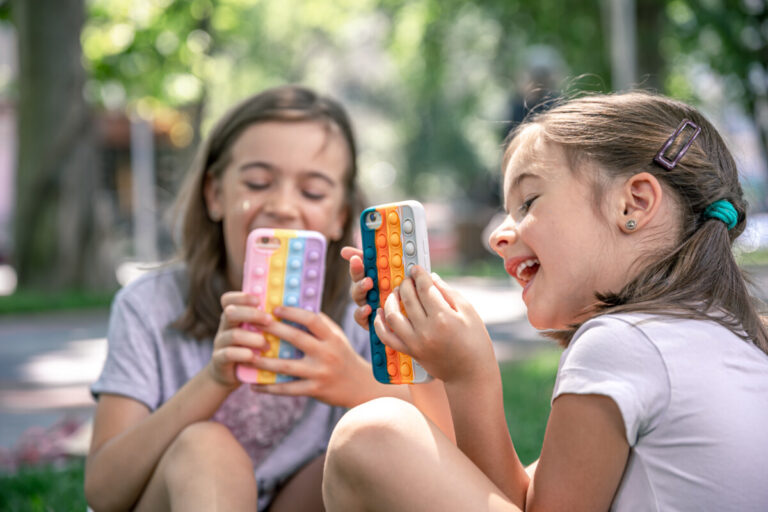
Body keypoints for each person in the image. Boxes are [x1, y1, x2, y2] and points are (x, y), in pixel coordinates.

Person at [325, 91, 768, 511]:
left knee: (373, 436)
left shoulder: (622, 344)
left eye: (528, 201)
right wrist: (430, 368)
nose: (498, 235)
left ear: (634, 203)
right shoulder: (737, 338)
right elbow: (498, 491)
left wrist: (471, 376)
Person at [84, 85, 451, 512]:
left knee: (376, 438)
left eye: (312, 192)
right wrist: (215, 380)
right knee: (207, 448)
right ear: (215, 194)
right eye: (258, 183)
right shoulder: (148, 306)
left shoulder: (359, 313)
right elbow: (104, 491)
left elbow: (440, 453)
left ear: (339, 216)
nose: (282, 206)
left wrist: (354, 382)